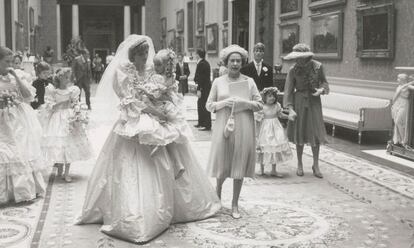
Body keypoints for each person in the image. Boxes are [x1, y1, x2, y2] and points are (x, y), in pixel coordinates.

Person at [77, 35, 219, 243]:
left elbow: (165, 90)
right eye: (140, 54)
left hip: (157, 118)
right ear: (132, 55)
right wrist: (152, 111)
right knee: (134, 167)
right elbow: (128, 100)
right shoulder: (123, 72)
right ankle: (138, 212)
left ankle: (175, 205)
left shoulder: (154, 71)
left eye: (146, 53)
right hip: (135, 121)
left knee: (172, 147)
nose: (144, 57)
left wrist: (163, 108)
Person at [206, 44, 263, 219]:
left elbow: (260, 104)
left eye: (239, 61)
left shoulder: (249, 81)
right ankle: (218, 195)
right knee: (223, 163)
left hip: (244, 125)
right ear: (226, 62)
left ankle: (235, 204)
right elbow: (208, 105)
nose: (235, 64)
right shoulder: (218, 81)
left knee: (239, 163)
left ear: (242, 62)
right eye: (232, 60)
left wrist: (244, 103)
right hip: (224, 126)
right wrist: (225, 103)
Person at [0, 46, 46, 204]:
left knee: (19, 151)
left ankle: (21, 191)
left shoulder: (18, 75)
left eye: (12, 61)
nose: (10, 64)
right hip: (1, 120)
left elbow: (28, 96)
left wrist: (16, 77)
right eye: (6, 62)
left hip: (17, 120)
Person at [283, 43, 329, 179]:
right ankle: (300, 164)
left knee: (315, 133)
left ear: (307, 57)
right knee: (300, 133)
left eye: (300, 58)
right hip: (299, 102)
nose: (298, 61)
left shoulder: (318, 67)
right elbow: (288, 91)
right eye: (296, 58)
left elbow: (325, 83)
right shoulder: (293, 70)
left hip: (314, 102)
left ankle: (316, 164)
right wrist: (290, 109)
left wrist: (321, 90)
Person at [39, 68, 92, 182]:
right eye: (66, 77)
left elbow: (75, 103)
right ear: (59, 78)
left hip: (69, 118)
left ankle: (66, 172)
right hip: (57, 119)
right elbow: (49, 106)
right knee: (59, 144)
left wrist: (78, 112)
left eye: (69, 77)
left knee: (69, 144)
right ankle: (59, 170)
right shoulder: (53, 91)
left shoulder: (73, 90)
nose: (68, 79)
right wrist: (60, 104)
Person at [256, 87, 293, 177]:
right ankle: (262, 169)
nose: (272, 98)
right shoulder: (262, 107)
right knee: (264, 147)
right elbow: (258, 118)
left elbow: (280, 115)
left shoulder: (277, 106)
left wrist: (288, 117)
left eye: (273, 96)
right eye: (269, 96)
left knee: (275, 147)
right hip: (265, 128)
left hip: (276, 127)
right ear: (265, 97)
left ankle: (273, 170)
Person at [391, 74, 414, 147]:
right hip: (398, 104)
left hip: (404, 104)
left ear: (402, 79)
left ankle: (404, 140)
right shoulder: (399, 87)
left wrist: (411, 82)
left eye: (398, 78)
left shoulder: (407, 86)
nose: (397, 80)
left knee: (399, 122)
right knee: (397, 122)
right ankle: (400, 140)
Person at [194, 49, 212, 131]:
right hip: (205, 87)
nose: (195, 55)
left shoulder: (201, 64)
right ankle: (201, 122)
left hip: (204, 88)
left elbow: (201, 78)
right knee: (200, 105)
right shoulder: (205, 63)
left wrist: (199, 89)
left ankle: (206, 125)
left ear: (198, 55)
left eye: (196, 54)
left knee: (204, 106)